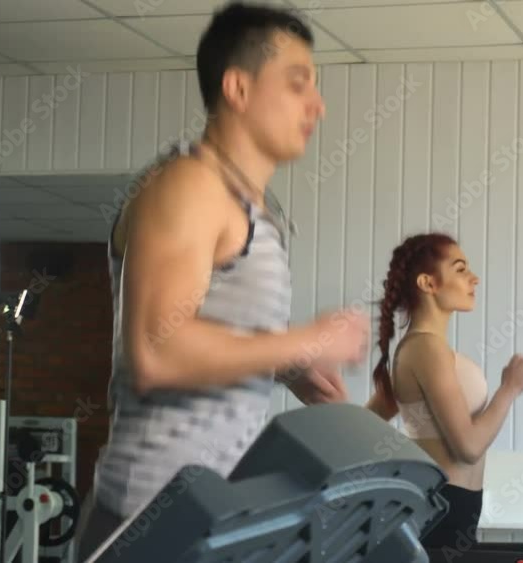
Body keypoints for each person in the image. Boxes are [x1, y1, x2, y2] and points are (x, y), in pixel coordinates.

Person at [74, 3, 369, 560]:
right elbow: (158, 350)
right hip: (149, 519)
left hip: (209, 514)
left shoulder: (253, 208)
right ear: (238, 87)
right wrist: (305, 339)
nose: (317, 105)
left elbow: (210, 332)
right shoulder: (189, 185)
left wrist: (288, 368)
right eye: (297, 84)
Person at [365, 233, 523, 551]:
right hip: (442, 507)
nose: (474, 278)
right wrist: (509, 389)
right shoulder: (425, 349)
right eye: (460, 269)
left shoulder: (421, 349)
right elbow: (468, 447)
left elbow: (365, 423)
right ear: (428, 284)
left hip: (454, 507)